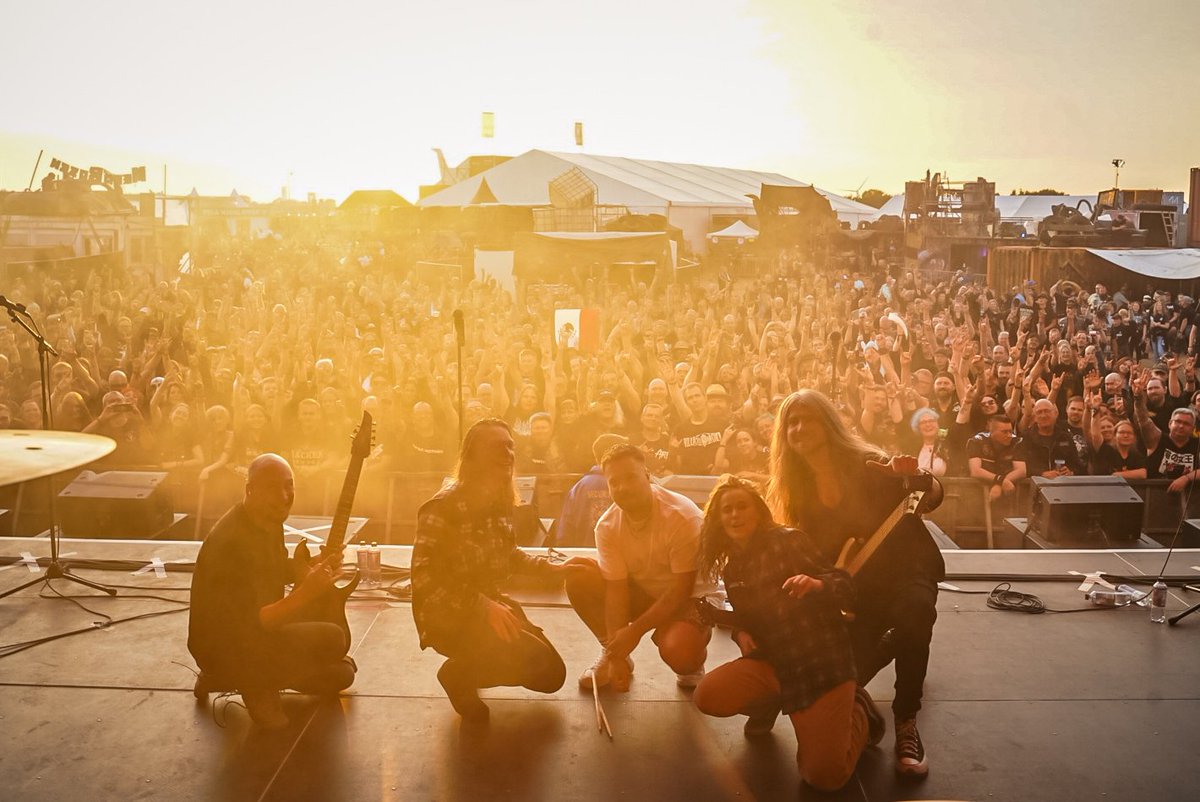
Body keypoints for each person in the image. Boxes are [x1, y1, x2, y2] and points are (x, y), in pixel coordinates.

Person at [766, 390, 943, 778]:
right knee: (848, 677)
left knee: (915, 615)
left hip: (907, 570)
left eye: (806, 419)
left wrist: (914, 476)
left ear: (827, 423)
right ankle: (867, 712)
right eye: (790, 422)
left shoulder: (869, 464)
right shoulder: (796, 490)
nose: (798, 428)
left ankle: (906, 721)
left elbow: (930, 495)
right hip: (858, 587)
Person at [692, 475, 884, 792]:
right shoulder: (733, 567)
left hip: (820, 666)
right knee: (708, 695)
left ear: (758, 512)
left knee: (823, 777)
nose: (735, 515)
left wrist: (817, 585)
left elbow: (846, 586)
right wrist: (740, 632)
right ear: (717, 518)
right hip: (775, 663)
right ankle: (774, 705)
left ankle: (860, 711)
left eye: (742, 507)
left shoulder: (787, 541)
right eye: (727, 510)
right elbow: (751, 618)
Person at [411, 418, 587, 721]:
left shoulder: (499, 502)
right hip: (447, 615)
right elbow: (424, 577)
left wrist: (553, 569)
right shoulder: (443, 508)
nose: (507, 454)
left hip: (490, 605)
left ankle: (470, 666)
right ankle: (457, 675)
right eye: (497, 447)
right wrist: (481, 605)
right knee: (534, 661)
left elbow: (509, 555)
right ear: (473, 456)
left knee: (551, 675)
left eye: (510, 447)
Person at [188, 454, 356, 729]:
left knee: (341, 674)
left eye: (289, 485)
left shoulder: (265, 519)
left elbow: (275, 567)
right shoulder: (232, 542)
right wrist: (308, 591)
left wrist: (311, 567)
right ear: (250, 490)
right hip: (228, 645)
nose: (284, 495)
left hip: (254, 635)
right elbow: (262, 619)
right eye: (272, 487)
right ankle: (255, 686)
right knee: (334, 639)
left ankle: (221, 678)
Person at [564, 444, 712, 691]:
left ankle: (694, 660)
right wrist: (617, 653)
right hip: (646, 591)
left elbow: (681, 590)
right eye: (614, 482)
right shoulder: (607, 526)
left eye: (630, 477)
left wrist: (633, 633)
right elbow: (616, 589)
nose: (622, 487)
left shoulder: (682, 517)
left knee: (680, 652)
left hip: (691, 599)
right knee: (579, 576)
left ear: (647, 475)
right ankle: (610, 651)